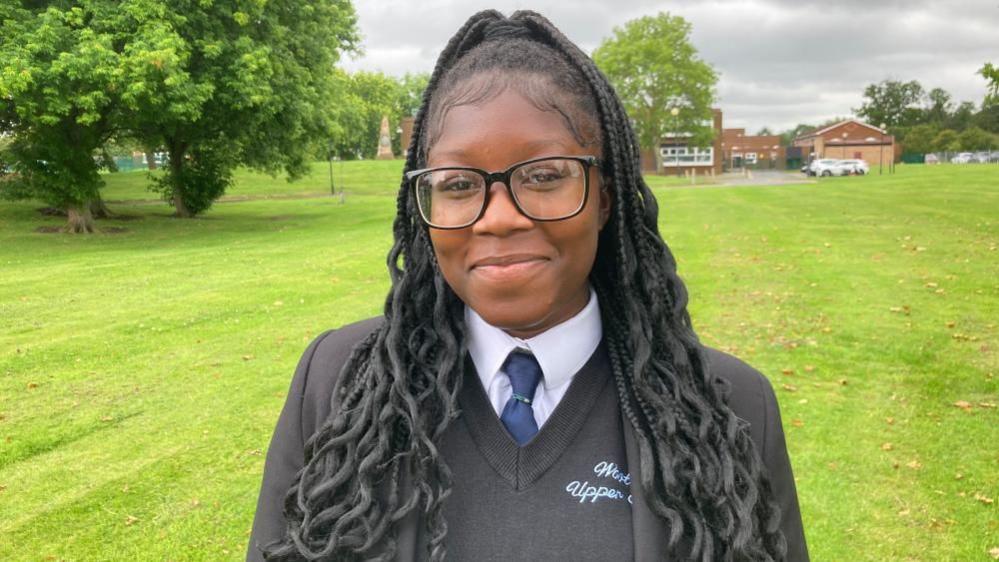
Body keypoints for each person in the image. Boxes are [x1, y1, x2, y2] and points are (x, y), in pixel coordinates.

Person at [247, 9, 808, 562]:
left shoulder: (731, 405)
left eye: (543, 176)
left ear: (604, 197)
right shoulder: (337, 382)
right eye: (459, 183)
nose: (498, 218)